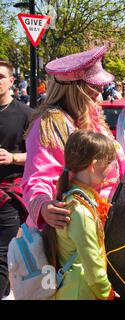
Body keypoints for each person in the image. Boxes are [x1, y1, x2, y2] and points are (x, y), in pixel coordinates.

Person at [22, 46, 125, 233]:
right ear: (74, 88)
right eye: (94, 85)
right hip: (71, 229)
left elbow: (107, 165)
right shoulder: (50, 122)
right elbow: (38, 177)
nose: (101, 89)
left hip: (101, 223)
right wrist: (44, 206)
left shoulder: (94, 115)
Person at [43, 130, 118, 299]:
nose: (110, 170)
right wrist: (108, 294)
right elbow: (93, 267)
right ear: (93, 165)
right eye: (108, 164)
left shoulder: (76, 196)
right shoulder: (80, 210)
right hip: (80, 292)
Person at [0, 60, 33, 299]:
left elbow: (37, 155)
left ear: (11, 81)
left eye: (0, 77)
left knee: (2, 254)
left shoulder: (26, 114)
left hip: (8, 196)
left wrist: (12, 157)